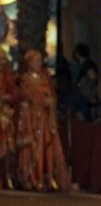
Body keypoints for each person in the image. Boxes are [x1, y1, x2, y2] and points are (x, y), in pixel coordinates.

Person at [15, 50, 69, 191]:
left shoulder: (45, 78)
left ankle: (48, 178)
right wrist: (40, 101)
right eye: (36, 60)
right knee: (33, 147)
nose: (39, 63)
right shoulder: (25, 79)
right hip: (31, 118)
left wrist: (50, 102)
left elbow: (52, 95)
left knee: (48, 147)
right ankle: (33, 178)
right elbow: (26, 97)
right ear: (30, 63)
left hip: (45, 118)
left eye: (40, 60)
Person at [0, 49, 18, 189]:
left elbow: (14, 94)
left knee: (6, 147)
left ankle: (6, 178)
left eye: (3, 59)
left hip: (4, 115)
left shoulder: (7, 76)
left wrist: (6, 98)